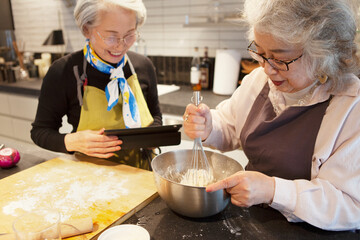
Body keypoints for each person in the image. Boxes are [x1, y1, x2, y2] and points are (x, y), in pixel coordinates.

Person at [183, 0, 360, 231]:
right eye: (260, 52)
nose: (267, 68)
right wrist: (208, 125)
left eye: (280, 58)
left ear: (322, 53)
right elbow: (229, 125)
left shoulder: (350, 105)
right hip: (253, 223)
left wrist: (272, 190)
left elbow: (350, 205)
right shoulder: (257, 83)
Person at [31, 0, 162, 170]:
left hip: (144, 173)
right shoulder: (64, 71)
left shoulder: (143, 66)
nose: (120, 45)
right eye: (111, 36)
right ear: (86, 29)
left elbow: (156, 116)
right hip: (92, 178)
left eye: (130, 34)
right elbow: (40, 132)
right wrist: (72, 141)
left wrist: (153, 137)